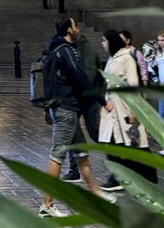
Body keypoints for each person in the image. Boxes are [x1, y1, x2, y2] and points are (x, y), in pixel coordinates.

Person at [38, 17, 116, 218]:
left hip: (61, 108)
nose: (78, 29)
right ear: (68, 30)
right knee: (57, 156)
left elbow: (48, 82)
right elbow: (80, 78)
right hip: (66, 109)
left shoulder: (54, 50)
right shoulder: (66, 50)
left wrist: (47, 109)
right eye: (75, 26)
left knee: (82, 154)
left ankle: (95, 193)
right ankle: (46, 204)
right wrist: (102, 100)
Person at [99, 30, 158, 187]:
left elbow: (133, 84)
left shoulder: (127, 58)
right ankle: (120, 176)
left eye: (104, 40)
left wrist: (133, 110)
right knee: (113, 141)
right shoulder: (111, 59)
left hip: (124, 106)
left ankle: (137, 176)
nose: (102, 44)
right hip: (112, 107)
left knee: (131, 142)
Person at [63, 32, 106, 184]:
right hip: (77, 99)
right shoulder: (71, 49)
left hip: (88, 99)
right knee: (73, 133)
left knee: (94, 132)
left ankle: (119, 159)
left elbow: (89, 73)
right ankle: (74, 170)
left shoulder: (86, 48)